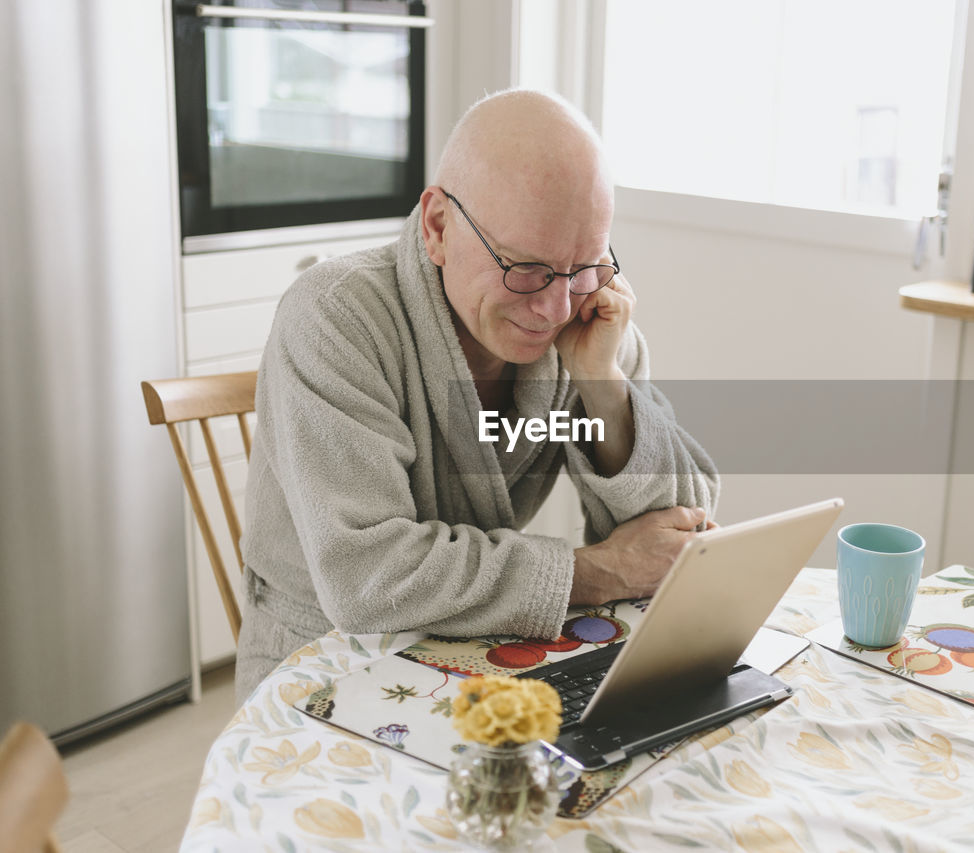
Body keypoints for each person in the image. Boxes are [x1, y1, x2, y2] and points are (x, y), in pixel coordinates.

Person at [234, 90, 719, 703]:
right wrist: (599, 570)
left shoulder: (583, 311)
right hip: (324, 655)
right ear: (438, 227)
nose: (554, 307)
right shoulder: (336, 317)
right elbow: (370, 575)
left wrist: (603, 385)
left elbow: (679, 528)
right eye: (525, 269)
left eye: (584, 265)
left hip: (479, 646)